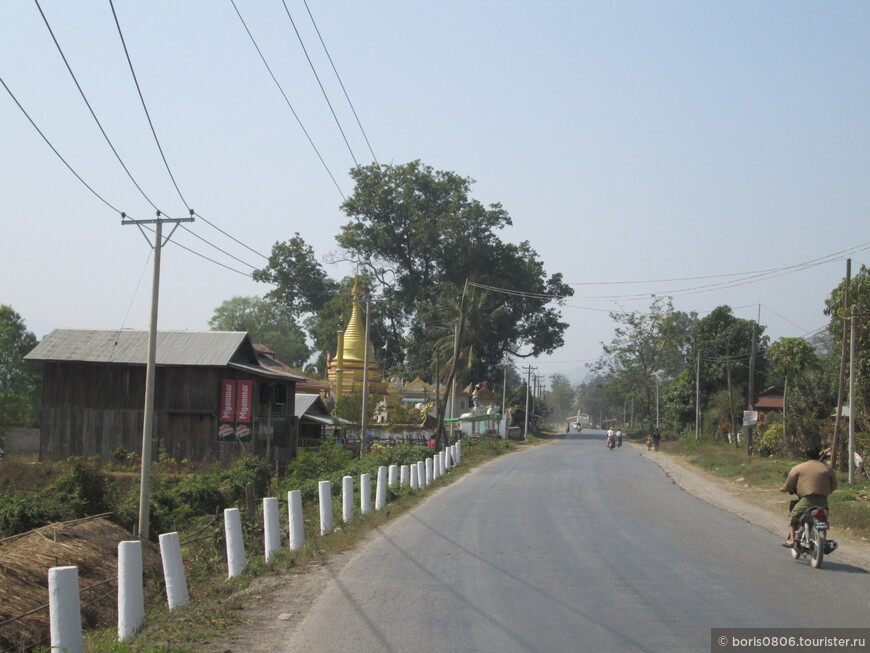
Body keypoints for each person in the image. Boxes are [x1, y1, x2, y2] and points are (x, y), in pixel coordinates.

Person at [779, 446, 837, 547]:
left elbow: (789, 485)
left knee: (793, 516)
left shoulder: (799, 467)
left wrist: (783, 489)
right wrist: (826, 492)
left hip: (807, 500)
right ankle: (823, 539)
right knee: (823, 519)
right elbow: (834, 485)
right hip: (823, 501)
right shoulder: (827, 468)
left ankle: (792, 540)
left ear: (806, 456)